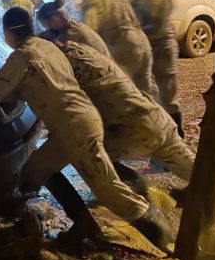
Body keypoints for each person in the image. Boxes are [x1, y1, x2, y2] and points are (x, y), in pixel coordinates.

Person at [0, 7, 175, 253]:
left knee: (109, 189)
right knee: (37, 170)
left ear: (8, 33)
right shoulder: (45, 47)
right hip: (79, 121)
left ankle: (165, 241)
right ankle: (82, 225)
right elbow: (27, 88)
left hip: (75, 128)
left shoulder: (21, 57)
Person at [52, 39, 194, 183]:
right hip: (159, 121)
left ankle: (139, 195)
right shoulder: (83, 50)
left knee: (86, 155)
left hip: (135, 132)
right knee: (200, 176)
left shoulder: (66, 66)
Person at [81, 0, 159, 99]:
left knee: (123, 99)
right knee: (147, 99)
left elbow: (88, 34)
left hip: (124, 51)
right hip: (143, 47)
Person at [127, 0, 184, 137]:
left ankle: (176, 137)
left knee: (167, 97)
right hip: (144, 49)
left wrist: (136, 32)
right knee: (147, 94)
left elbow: (157, 25)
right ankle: (156, 139)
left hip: (162, 48)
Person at [37, 0, 111, 58]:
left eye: (46, 25)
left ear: (53, 20)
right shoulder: (75, 25)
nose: (48, 29)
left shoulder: (70, 35)